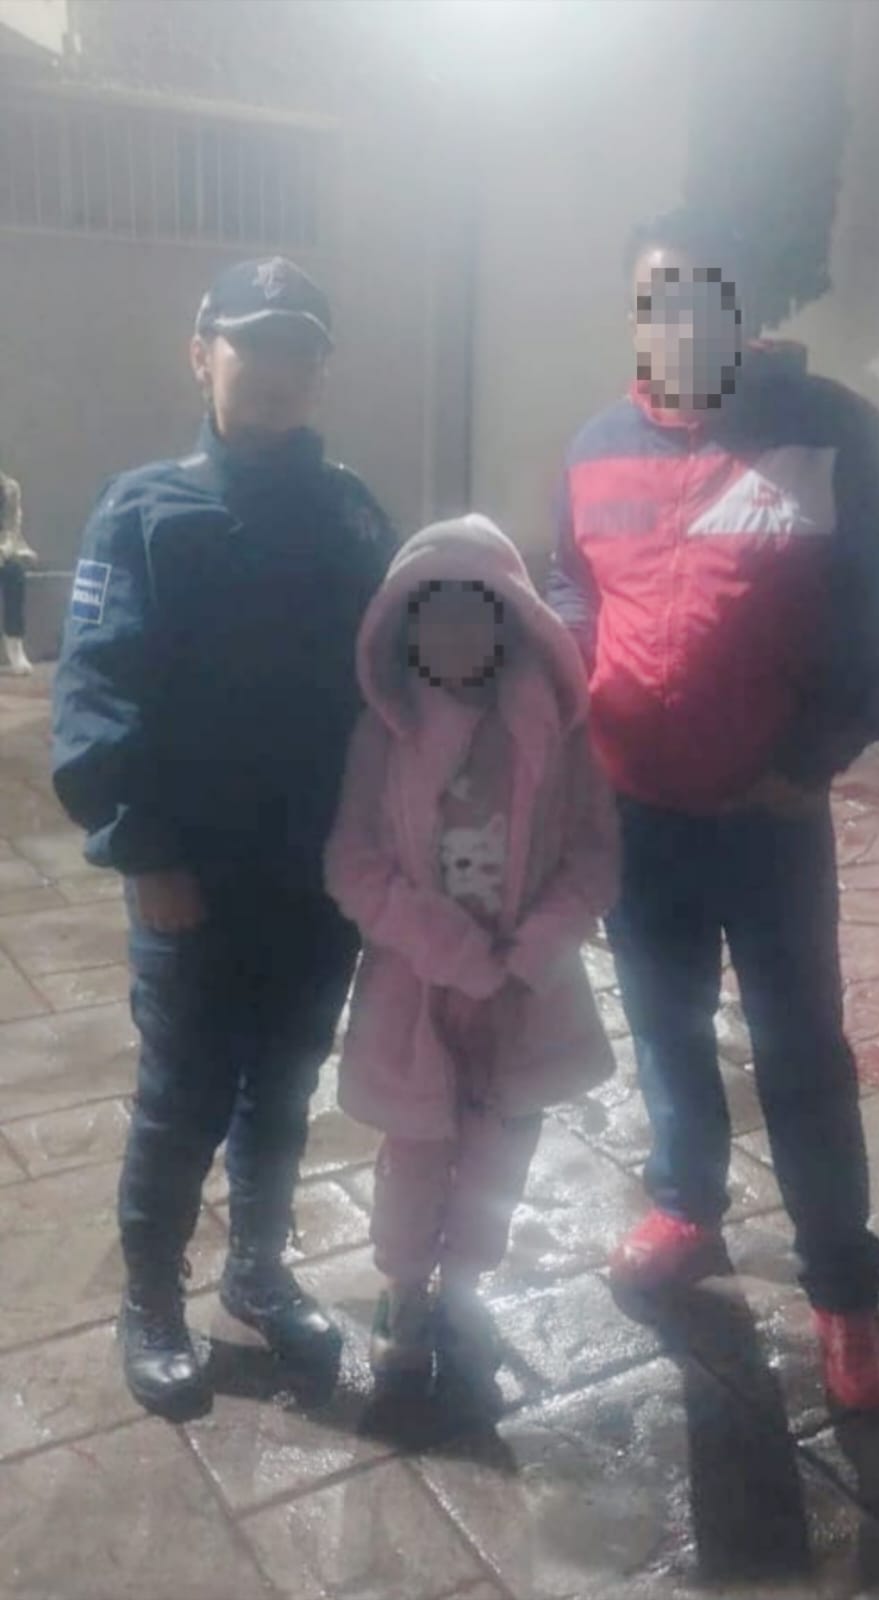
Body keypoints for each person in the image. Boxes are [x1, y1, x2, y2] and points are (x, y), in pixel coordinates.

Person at [548, 206, 879, 1413]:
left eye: (702, 293)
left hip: (770, 815)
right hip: (638, 813)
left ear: (741, 307)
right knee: (664, 1030)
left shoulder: (828, 431)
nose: (679, 318)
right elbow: (573, 586)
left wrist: (815, 756)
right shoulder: (593, 446)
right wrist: (567, 704)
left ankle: (842, 1290)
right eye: (655, 296)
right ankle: (686, 1207)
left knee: (800, 1052)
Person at [52, 257, 397, 1418]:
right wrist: (144, 849)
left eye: (301, 347)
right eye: (255, 342)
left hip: (319, 873)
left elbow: (400, 673)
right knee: (183, 1096)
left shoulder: (352, 511)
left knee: (285, 1088)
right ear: (201, 353)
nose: (278, 367)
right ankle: (152, 1295)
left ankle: (256, 1270)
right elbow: (97, 691)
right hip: (191, 880)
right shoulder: (144, 510)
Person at [324, 514, 618, 1389]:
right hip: (417, 991)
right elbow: (354, 864)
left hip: (529, 992)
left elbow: (592, 858)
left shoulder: (556, 734)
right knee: (416, 1144)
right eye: (432, 614)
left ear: (512, 621)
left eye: (472, 611)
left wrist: (529, 953)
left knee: (502, 1142)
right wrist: (451, 951)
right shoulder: (384, 733)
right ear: (401, 627)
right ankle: (404, 1285)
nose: (452, 632)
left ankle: (463, 1285)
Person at [0, 469, 38, 675]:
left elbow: (11, 529)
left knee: (14, 572)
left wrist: (3, 551)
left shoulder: (9, 488)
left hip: (3, 552)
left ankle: (14, 645)